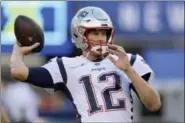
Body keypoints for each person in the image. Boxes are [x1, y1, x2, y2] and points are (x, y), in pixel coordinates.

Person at [10, 6, 161, 122]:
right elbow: (19, 72)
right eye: (95, 33)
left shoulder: (128, 60)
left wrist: (129, 70)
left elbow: (154, 104)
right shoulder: (66, 66)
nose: (101, 38)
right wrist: (18, 50)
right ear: (79, 35)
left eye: (104, 33)